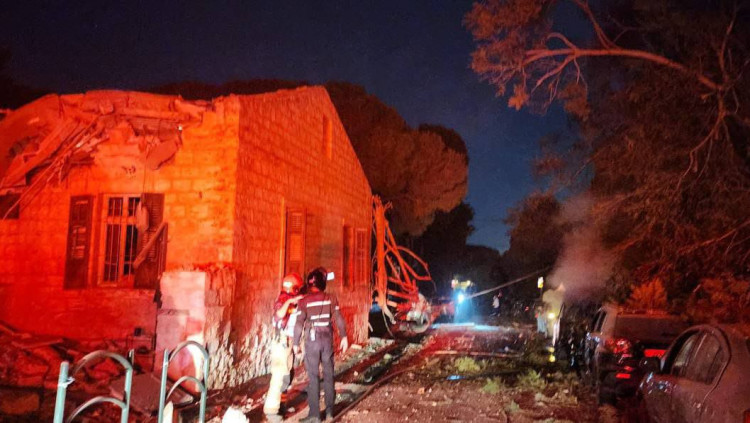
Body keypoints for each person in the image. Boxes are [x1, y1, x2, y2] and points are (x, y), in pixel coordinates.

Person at [293, 267, 348, 423]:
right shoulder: (331, 298)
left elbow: (299, 323)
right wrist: (344, 336)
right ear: (323, 283)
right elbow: (339, 318)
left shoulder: (303, 301)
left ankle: (315, 415)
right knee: (329, 375)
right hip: (327, 339)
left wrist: (296, 343)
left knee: (313, 376)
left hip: (312, 340)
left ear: (309, 284)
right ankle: (330, 412)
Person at [263, 273, 305, 421]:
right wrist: (290, 302)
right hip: (281, 343)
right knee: (279, 376)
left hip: (287, 343)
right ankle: (272, 411)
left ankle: (281, 406)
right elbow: (279, 315)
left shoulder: (290, 301)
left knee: (287, 375)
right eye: (298, 288)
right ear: (294, 289)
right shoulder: (283, 300)